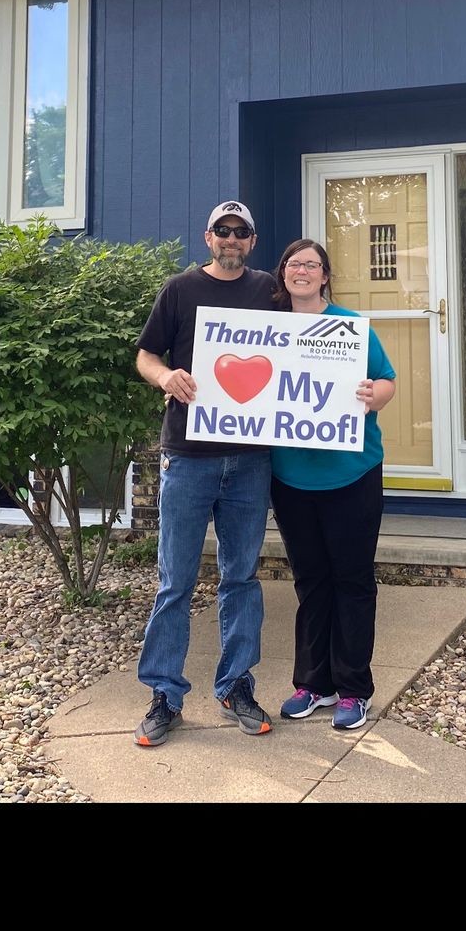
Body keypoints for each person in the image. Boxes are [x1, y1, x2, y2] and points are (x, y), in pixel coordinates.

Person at [133, 201, 276, 747]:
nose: (232, 238)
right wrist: (166, 376)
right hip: (188, 457)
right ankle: (165, 696)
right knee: (176, 580)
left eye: (241, 231)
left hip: (250, 461)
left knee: (241, 578)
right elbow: (146, 355)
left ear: (253, 240)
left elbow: (307, 343)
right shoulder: (179, 289)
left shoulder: (269, 290)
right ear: (208, 237)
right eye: (223, 230)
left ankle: (236, 685)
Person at [270, 238, 396, 732]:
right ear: (283, 273)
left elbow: (385, 381)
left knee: (352, 580)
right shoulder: (268, 328)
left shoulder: (349, 328)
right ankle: (313, 684)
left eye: (311, 265)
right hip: (291, 477)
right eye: (293, 263)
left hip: (352, 473)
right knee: (310, 581)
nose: (301, 271)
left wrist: (372, 395)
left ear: (324, 276)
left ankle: (353, 689)